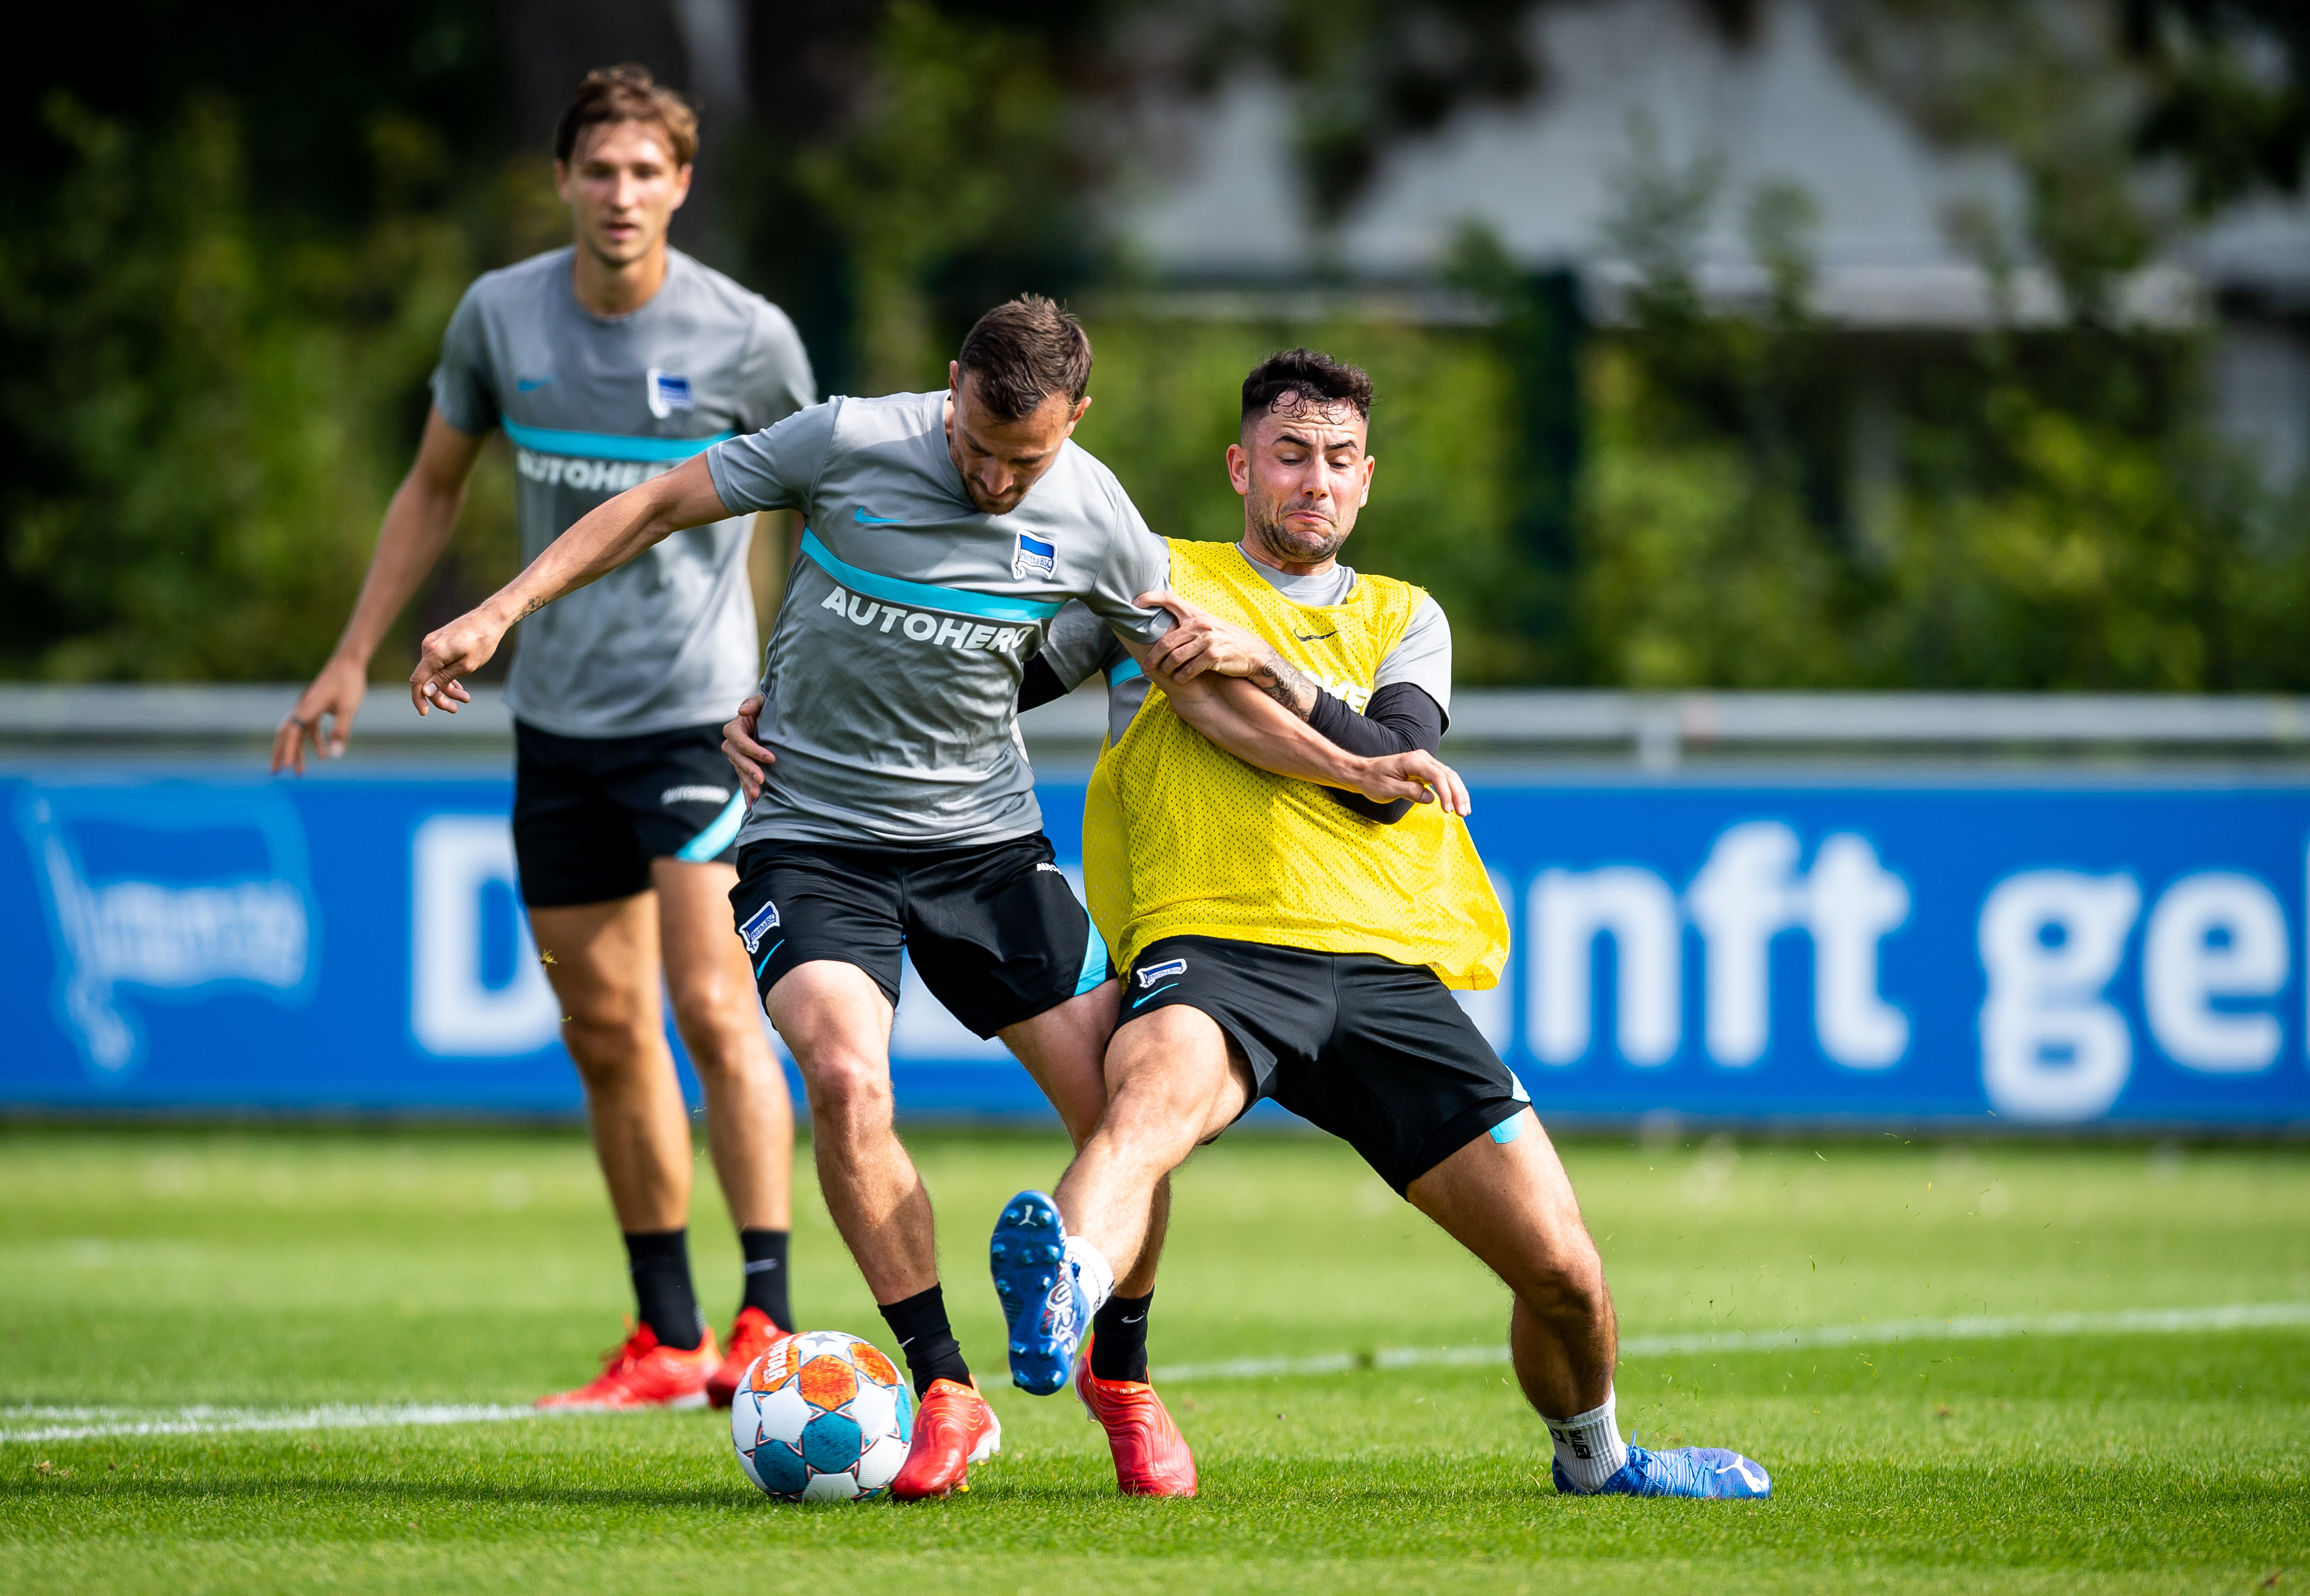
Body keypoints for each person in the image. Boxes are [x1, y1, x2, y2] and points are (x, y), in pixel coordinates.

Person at [404, 299, 1459, 1497]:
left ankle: (1122, 1376)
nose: (1000, 480)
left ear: (1078, 423)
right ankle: (946, 1385)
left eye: (1030, 458)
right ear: (951, 388)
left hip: (986, 852)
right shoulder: (846, 442)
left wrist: (1357, 768)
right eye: (978, 448)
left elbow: (1198, 696)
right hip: (815, 840)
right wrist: (499, 611)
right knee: (848, 1077)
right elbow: (655, 502)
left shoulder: (1100, 516)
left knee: (1114, 1113)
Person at [990, 347, 1775, 1501]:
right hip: (1212, 946)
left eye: (1340, 459)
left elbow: (1387, 763)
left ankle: (1596, 1458)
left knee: (1563, 1270)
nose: (1316, 478)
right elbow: (988, 681)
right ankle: (1066, 1286)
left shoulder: (1406, 616)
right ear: (1240, 466)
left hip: (1383, 972)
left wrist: (1274, 667)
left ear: (1367, 479)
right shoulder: (1154, 579)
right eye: (1292, 455)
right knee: (1145, 1111)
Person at [271, 66, 807, 1411]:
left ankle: (765, 1321)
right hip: (554, 730)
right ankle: (667, 1335)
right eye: (599, 170)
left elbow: (823, 506)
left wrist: (792, 685)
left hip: (698, 721)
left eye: (648, 172)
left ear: (681, 186)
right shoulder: (499, 317)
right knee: (606, 1026)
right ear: (563, 180)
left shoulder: (748, 337)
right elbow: (433, 485)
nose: (621, 194)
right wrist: (349, 651)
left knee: (709, 1004)